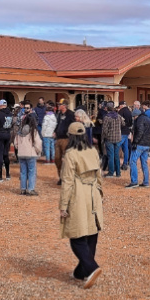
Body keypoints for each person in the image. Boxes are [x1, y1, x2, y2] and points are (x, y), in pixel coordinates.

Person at [59, 122, 104, 289]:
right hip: (93, 192)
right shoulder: (93, 150)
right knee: (91, 231)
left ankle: (92, 268)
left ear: (70, 136)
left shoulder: (70, 154)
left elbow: (67, 181)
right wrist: (100, 194)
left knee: (76, 235)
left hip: (78, 194)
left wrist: (63, 205)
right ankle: (81, 272)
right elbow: (99, 175)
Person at [14, 110, 42, 196]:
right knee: (32, 172)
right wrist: (38, 151)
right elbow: (38, 143)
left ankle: (23, 189)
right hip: (31, 154)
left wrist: (20, 149)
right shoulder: (33, 131)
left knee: (23, 172)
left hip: (21, 154)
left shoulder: (19, 132)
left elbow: (15, 143)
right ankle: (30, 189)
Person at [127, 100, 150, 189]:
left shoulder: (139, 120)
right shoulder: (148, 120)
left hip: (139, 145)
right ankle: (146, 182)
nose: (134, 119)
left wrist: (135, 142)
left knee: (132, 161)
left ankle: (134, 181)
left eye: (134, 117)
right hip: (147, 145)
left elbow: (140, 132)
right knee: (144, 163)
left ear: (136, 116)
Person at [53, 99, 76, 180]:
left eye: (60, 104)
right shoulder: (59, 114)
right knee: (57, 159)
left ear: (65, 106)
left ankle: (67, 177)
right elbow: (58, 124)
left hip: (66, 139)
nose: (58, 106)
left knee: (67, 160)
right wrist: (55, 131)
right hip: (58, 138)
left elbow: (73, 126)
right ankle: (60, 177)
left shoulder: (71, 114)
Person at [101, 102, 123, 177]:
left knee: (111, 156)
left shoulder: (107, 117)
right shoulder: (118, 116)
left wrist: (104, 137)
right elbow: (123, 124)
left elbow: (104, 129)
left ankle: (111, 172)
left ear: (107, 108)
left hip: (109, 138)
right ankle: (118, 173)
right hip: (118, 138)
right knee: (116, 156)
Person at [118, 102, 134, 170]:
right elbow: (131, 122)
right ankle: (125, 163)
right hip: (127, 131)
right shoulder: (129, 111)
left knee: (117, 147)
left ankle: (116, 164)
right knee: (126, 148)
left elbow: (118, 122)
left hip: (121, 131)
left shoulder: (121, 112)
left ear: (121, 105)